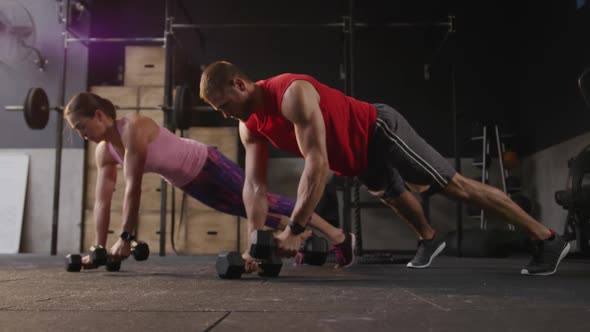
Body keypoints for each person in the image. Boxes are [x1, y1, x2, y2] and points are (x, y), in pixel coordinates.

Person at [198, 60, 570, 276]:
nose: (223, 113)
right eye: (217, 110)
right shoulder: (249, 126)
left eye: (223, 104)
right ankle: (430, 238)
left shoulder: (291, 94)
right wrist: (255, 244)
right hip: (356, 158)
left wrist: (295, 229)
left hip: (377, 129)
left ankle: (546, 239)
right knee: (394, 196)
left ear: (239, 83)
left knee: (453, 185)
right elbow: (254, 187)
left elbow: (317, 162)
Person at [63, 92, 355, 271]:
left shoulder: (132, 128)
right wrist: (98, 249)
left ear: (99, 115)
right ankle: (303, 240)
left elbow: (133, 187)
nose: (82, 134)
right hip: (188, 182)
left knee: (267, 203)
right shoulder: (105, 151)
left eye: (81, 126)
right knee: (250, 211)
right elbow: (102, 201)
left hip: (206, 163)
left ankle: (340, 236)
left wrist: (126, 238)